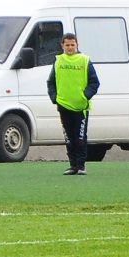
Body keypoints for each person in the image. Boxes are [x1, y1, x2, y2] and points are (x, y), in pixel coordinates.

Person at [47, 33, 100, 175]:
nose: (70, 47)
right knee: (69, 138)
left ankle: (81, 166)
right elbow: (51, 82)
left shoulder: (85, 60)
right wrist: (54, 98)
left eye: (72, 44)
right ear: (62, 45)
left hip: (80, 107)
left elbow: (94, 83)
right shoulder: (58, 61)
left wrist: (85, 96)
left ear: (77, 45)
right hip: (63, 106)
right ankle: (73, 166)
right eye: (67, 45)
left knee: (80, 138)